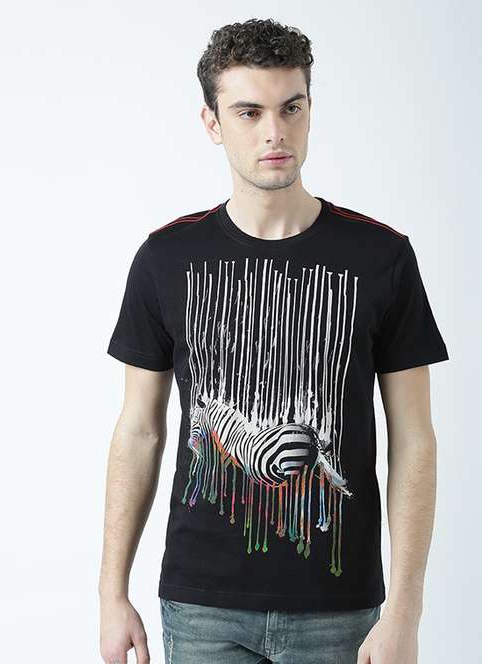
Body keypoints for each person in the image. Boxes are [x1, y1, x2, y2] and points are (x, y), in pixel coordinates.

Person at [98, 17, 449, 664]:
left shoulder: (382, 256)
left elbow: (415, 440)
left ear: (310, 110)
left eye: (291, 108)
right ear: (212, 122)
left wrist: (406, 610)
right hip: (201, 608)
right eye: (249, 112)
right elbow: (139, 431)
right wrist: (110, 593)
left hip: (341, 610)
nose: (275, 132)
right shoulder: (166, 257)